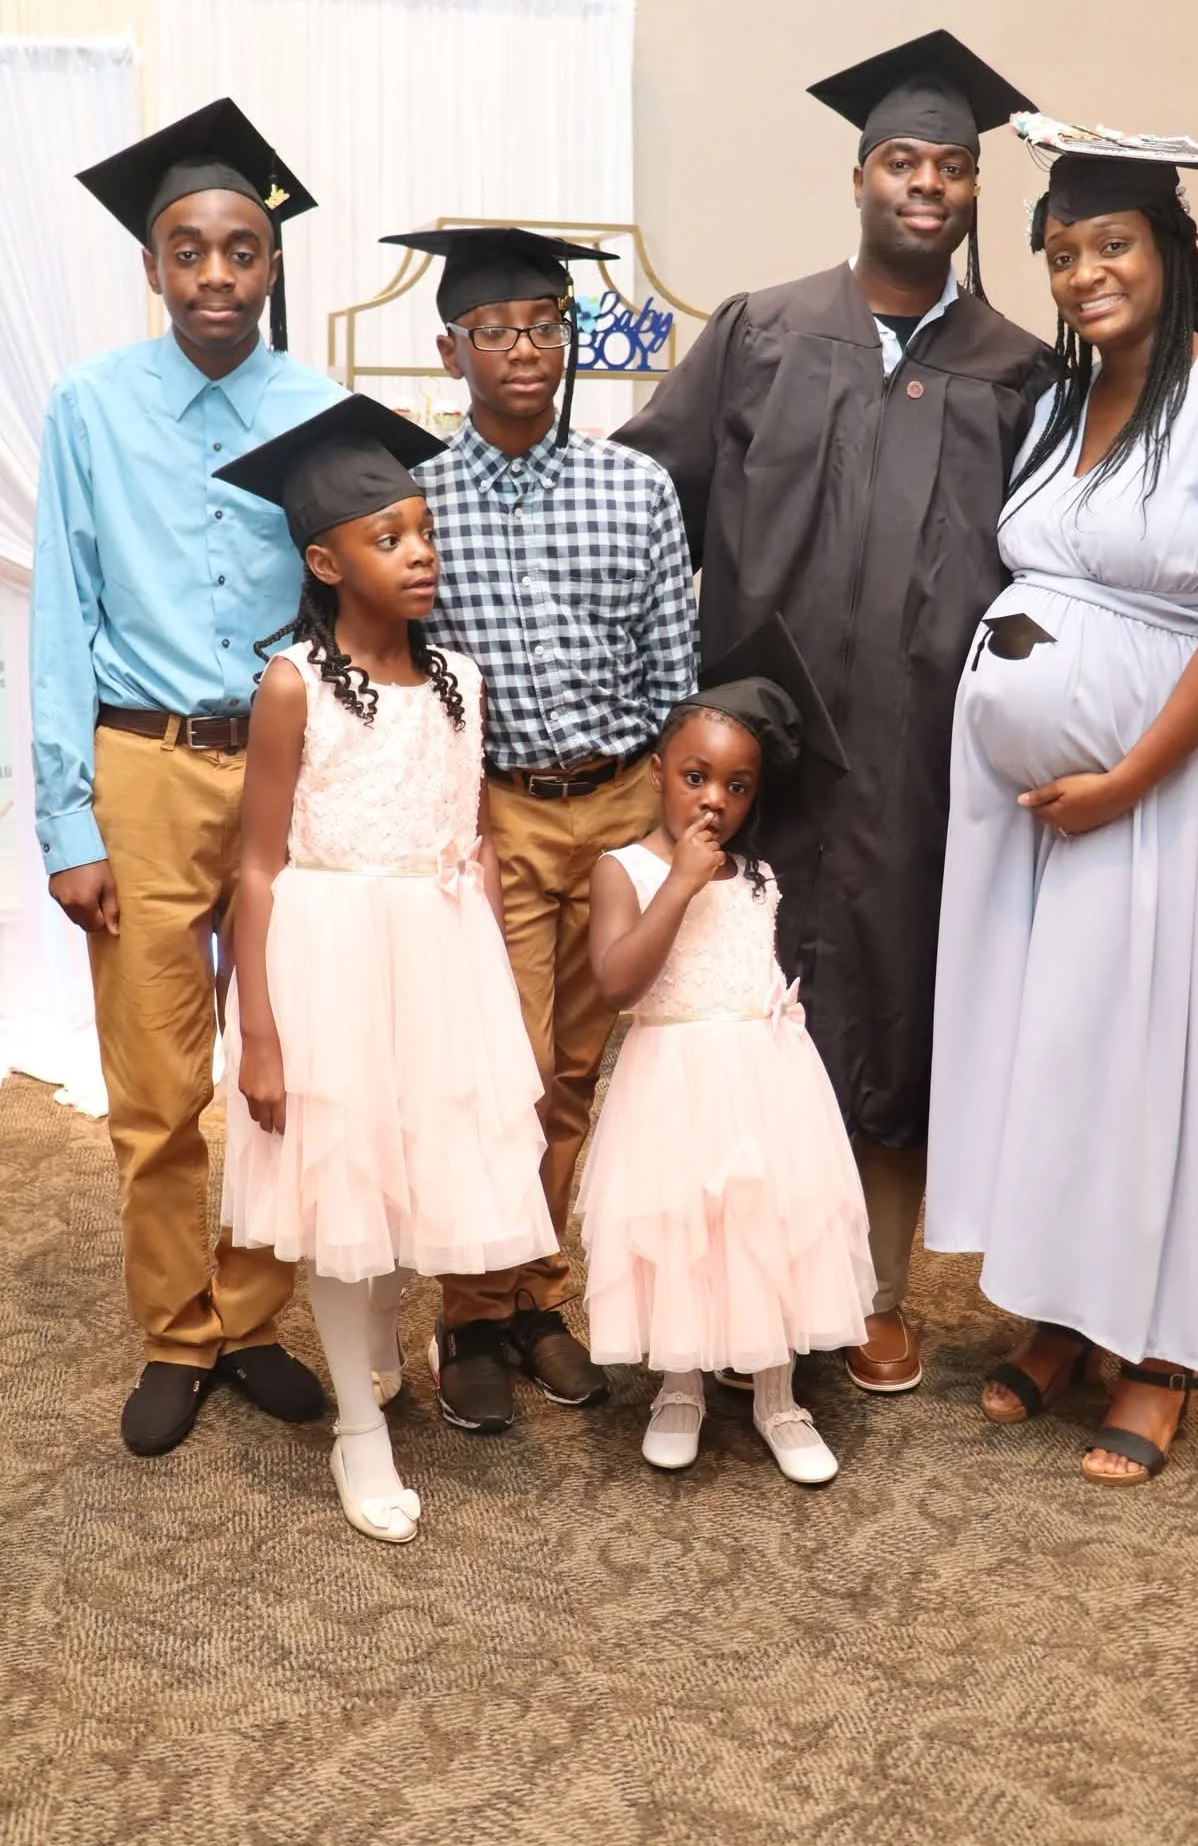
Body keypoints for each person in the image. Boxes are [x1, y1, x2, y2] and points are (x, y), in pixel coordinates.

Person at [615, 30, 1055, 1395]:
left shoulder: (1021, 372)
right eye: (904, 160)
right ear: (859, 173)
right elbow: (647, 507)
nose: (928, 185)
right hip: (761, 759)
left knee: (902, 1011)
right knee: (747, 1007)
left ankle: (868, 1289)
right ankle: (730, 1285)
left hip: (932, 766)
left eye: (954, 168)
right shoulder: (762, 331)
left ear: (974, 193)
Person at [925, 117, 1198, 1485]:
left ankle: (1158, 1351)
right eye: (1060, 254)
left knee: (1151, 1049)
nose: (1084, 273)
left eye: (1111, 245)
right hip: (1045, 809)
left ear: (1170, 248)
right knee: (1058, 1049)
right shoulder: (1061, 401)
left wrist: (1122, 780)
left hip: (1154, 793)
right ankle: (1061, 1312)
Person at [30, 101, 343, 1456]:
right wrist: (66, 819)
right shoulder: (90, 407)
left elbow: (351, 603)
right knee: (157, 1082)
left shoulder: (319, 410)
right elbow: (59, 616)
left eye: (242, 250)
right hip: (145, 769)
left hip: (289, 772)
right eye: (189, 250)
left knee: (284, 1066)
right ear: (154, 267)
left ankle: (254, 1314)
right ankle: (176, 1329)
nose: (217, 274)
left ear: (272, 266)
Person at [375, 224, 698, 1433]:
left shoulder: (636, 485)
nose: (527, 351)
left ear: (572, 338)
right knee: (491, 1074)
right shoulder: (420, 499)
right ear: (450, 345)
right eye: (499, 330)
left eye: (547, 326)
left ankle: (532, 1297)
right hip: (495, 816)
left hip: (616, 803)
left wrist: (669, 836)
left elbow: (675, 676)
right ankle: (467, 1313)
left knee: (575, 1070)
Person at [215, 394, 555, 1540]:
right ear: (325, 558)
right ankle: (359, 1420)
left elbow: (477, 837)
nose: (421, 554)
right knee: (342, 1187)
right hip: (330, 962)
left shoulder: (460, 678)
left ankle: (379, 1352)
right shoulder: (290, 687)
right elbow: (257, 869)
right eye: (389, 537)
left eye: (424, 529)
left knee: (411, 1176)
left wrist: (492, 985)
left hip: (436, 956)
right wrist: (260, 1030)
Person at [579, 617, 874, 1483]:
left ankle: (778, 1394)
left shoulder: (759, 876)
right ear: (659, 772)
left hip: (763, 1083)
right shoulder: (622, 869)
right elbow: (615, 983)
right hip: (669, 1084)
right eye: (696, 777)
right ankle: (680, 1386)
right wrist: (676, 884)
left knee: (765, 1229)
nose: (713, 799)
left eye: (736, 787)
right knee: (679, 1230)